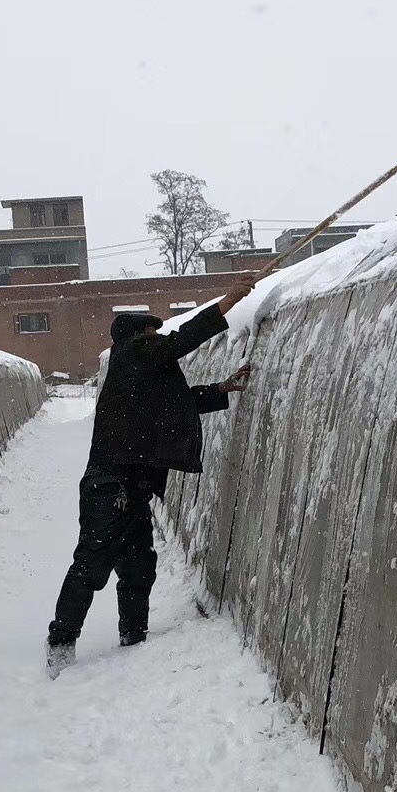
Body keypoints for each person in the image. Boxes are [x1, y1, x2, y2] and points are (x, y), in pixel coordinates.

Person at [45, 275, 256, 675]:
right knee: (92, 565)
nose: (157, 338)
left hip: (132, 486)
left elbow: (174, 405)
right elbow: (181, 340)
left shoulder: (139, 375)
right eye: (151, 333)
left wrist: (221, 389)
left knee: (139, 565)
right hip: (109, 487)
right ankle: (60, 643)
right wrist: (226, 302)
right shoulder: (132, 353)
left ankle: (133, 640)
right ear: (137, 338)